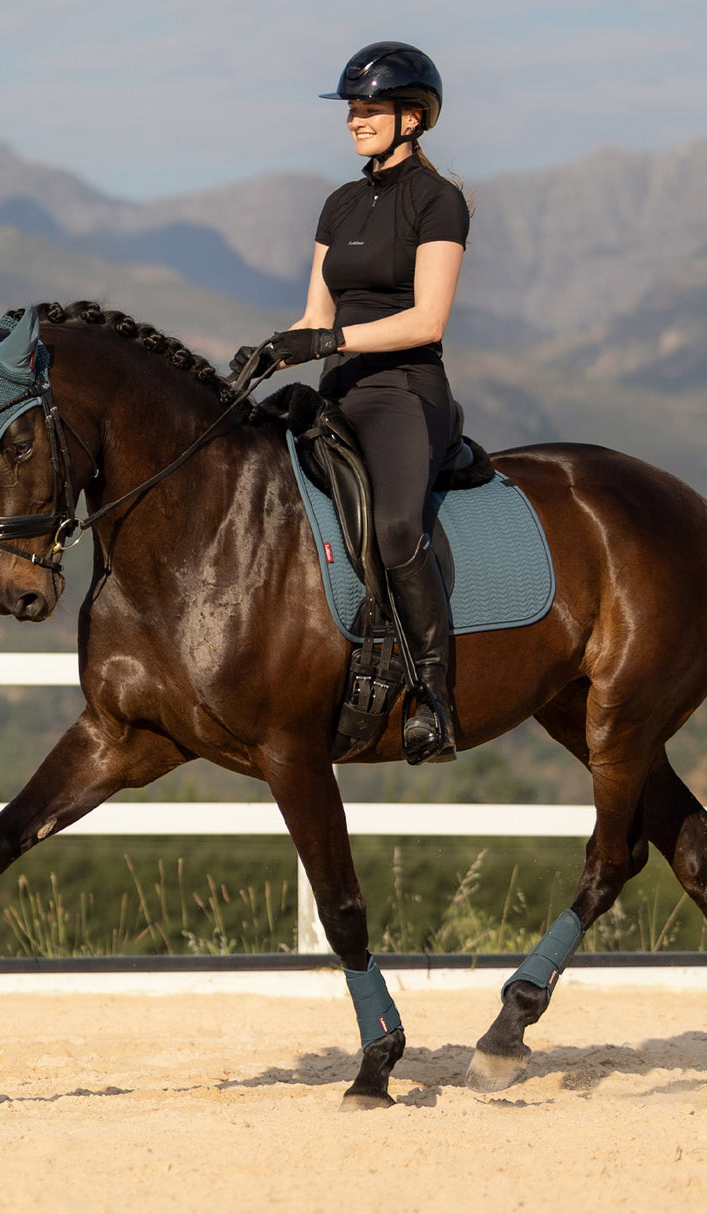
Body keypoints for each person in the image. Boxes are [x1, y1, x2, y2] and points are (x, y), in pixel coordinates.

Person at [233, 41, 470, 765]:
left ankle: (435, 696)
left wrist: (332, 340)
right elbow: (315, 315)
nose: (355, 121)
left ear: (413, 116)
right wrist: (275, 349)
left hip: (402, 390)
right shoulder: (339, 203)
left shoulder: (439, 201)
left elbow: (428, 320)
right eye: (351, 110)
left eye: (369, 109)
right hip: (336, 388)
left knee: (398, 527)